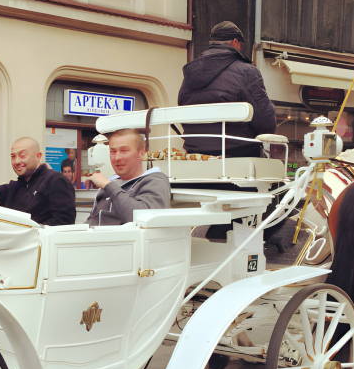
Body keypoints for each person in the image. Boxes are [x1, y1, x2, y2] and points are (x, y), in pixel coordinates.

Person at [178, 21, 276, 158]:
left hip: (195, 153)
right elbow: (266, 124)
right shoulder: (247, 72)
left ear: (212, 42)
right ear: (235, 42)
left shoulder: (191, 73)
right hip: (237, 154)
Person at [0, 130, 76, 225]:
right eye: (13, 156)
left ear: (38, 156)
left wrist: (26, 233)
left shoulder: (55, 181)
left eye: (23, 155)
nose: (17, 161)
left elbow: (64, 222)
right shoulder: (13, 189)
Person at [83, 128, 170, 226]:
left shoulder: (155, 182)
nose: (117, 158)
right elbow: (92, 221)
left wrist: (108, 186)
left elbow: (143, 219)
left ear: (141, 153)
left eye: (124, 150)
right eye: (113, 151)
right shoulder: (112, 182)